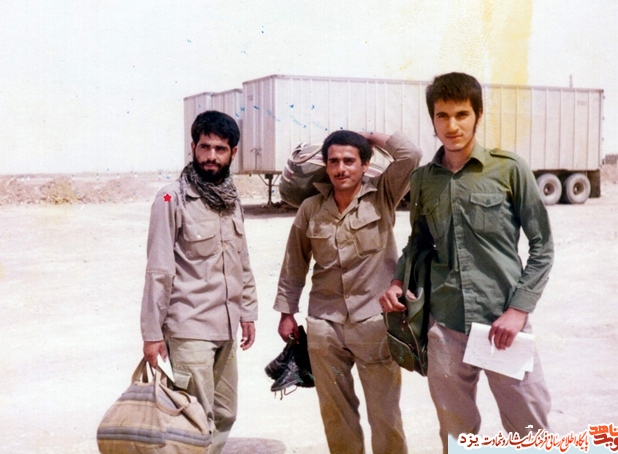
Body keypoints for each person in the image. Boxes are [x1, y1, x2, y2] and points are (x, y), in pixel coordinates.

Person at [380, 72, 554, 453]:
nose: (452, 125)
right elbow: (418, 243)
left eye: (462, 114)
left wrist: (518, 311)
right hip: (446, 328)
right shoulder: (423, 180)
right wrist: (396, 282)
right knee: (458, 436)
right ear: (432, 120)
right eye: (442, 116)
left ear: (478, 115)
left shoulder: (509, 170)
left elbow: (543, 246)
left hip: (502, 326)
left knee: (531, 432)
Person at [274, 129, 421, 453]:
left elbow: (411, 155)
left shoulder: (383, 195)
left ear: (365, 165)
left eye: (349, 161)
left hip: (374, 324)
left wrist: (369, 136)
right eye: (334, 161)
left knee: (385, 415)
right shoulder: (311, 208)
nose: (341, 168)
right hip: (325, 326)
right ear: (326, 166)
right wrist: (287, 313)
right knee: (336, 416)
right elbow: (294, 263)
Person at [140, 110, 258, 454]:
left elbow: (242, 260)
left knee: (224, 413)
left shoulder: (229, 200)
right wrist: (152, 333)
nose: (211, 156)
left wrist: (247, 312)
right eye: (204, 147)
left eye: (220, 149)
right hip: (189, 327)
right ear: (192, 147)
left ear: (233, 153)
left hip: (226, 325)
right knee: (195, 418)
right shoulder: (171, 198)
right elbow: (159, 269)